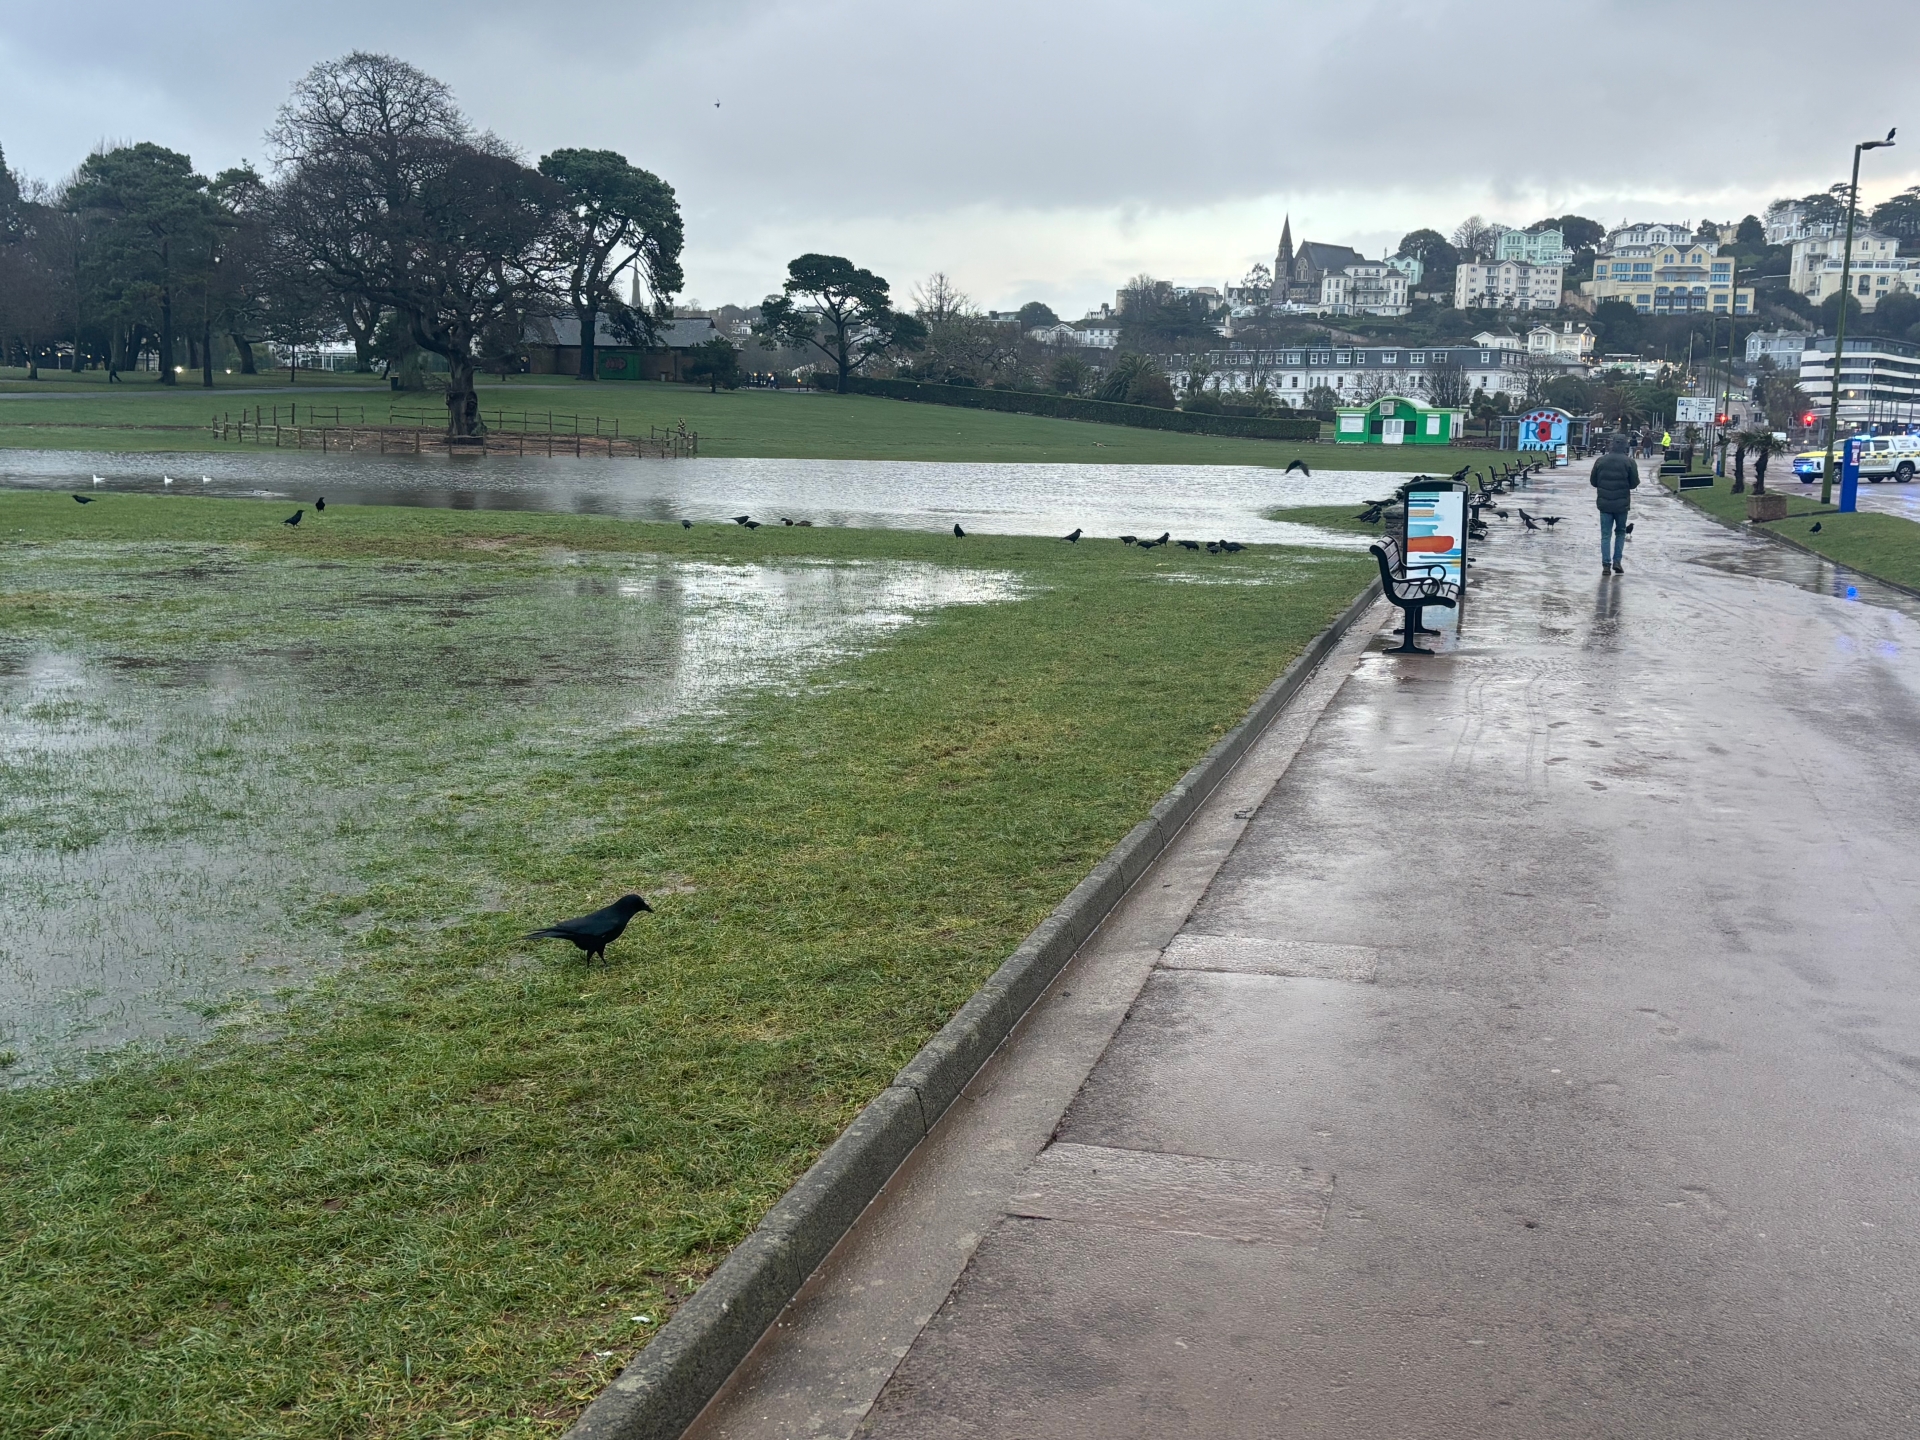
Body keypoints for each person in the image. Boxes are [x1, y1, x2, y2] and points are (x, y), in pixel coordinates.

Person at [1591, 434, 1641, 575]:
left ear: (1612, 444)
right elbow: (1633, 483)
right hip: (1621, 504)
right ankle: (1617, 561)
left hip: (1605, 504)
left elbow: (1593, 482)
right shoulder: (1629, 462)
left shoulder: (1600, 461)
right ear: (1625, 445)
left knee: (1605, 535)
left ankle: (1606, 565)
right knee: (1620, 532)